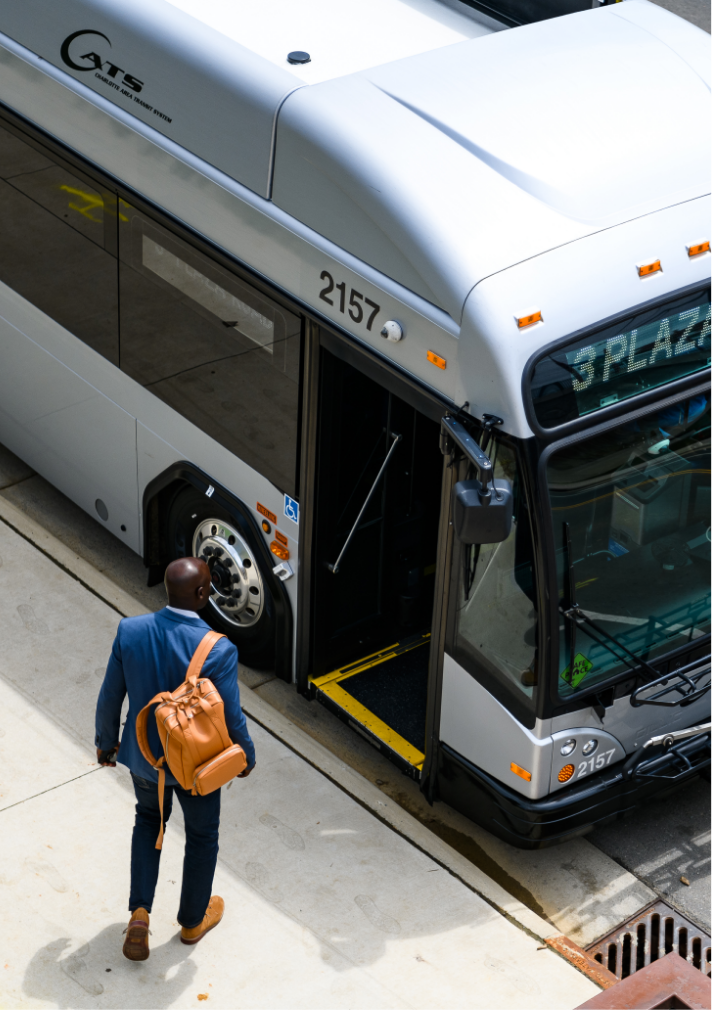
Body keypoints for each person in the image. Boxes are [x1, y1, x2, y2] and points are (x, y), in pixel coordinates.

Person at [94, 557, 255, 961]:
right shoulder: (218, 648)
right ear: (202, 594)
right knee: (202, 837)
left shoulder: (130, 631)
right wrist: (246, 756)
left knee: (148, 822)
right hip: (197, 767)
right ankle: (191, 922)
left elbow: (111, 694)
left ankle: (140, 915)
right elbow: (230, 715)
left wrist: (106, 743)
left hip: (145, 759)